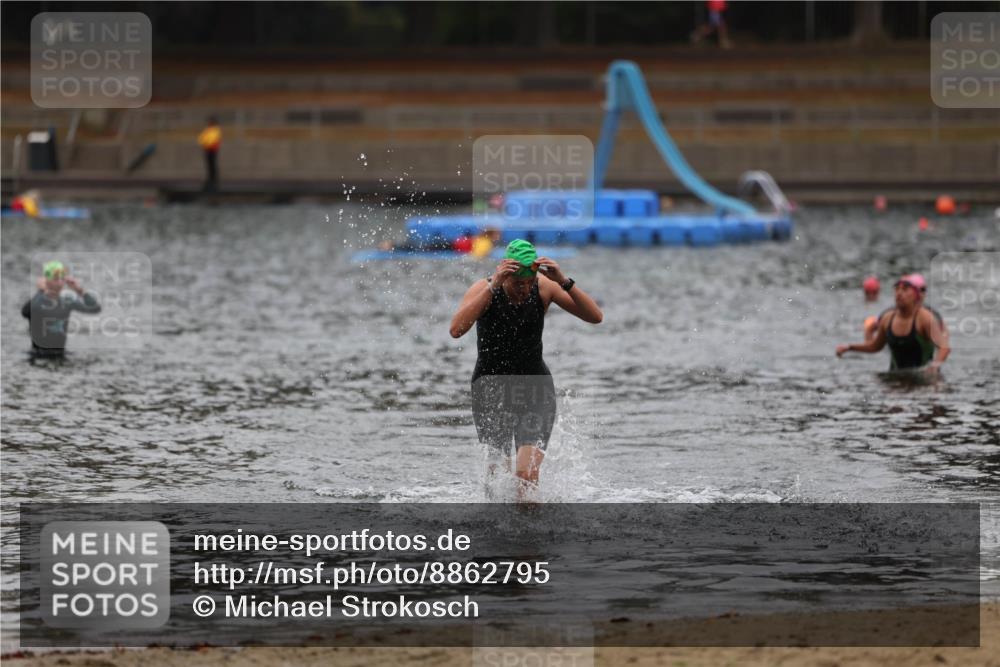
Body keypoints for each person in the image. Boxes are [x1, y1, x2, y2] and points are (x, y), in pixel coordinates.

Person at [449, 240, 602, 501]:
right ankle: (500, 535)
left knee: (526, 475)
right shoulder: (484, 289)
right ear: (505, 276)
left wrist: (563, 280)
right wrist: (492, 286)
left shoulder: (543, 288)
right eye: (518, 284)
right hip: (491, 388)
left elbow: (595, 316)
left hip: (534, 388)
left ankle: (529, 538)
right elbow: (456, 330)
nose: (524, 290)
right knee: (495, 476)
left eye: (528, 283)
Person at [837, 274, 950, 373]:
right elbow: (875, 346)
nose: (899, 293)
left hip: (923, 381)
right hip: (895, 376)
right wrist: (849, 347)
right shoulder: (887, 318)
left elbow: (944, 347)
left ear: (916, 295)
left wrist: (934, 366)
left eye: (905, 289)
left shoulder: (925, 318)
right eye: (897, 289)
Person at [21, 260, 102, 358]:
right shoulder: (38, 301)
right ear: (47, 280)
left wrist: (79, 290)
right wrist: (41, 291)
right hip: (38, 354)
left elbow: (95, 309)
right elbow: (26, 312)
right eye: (56, 278)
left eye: (62, 278)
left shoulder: (66, 301)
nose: (60, 282)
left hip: (60, 354)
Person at [197, 116, 221, 192]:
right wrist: (204, 143)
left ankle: (213, 179)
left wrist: (206, 143)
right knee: (210, 164)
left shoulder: (215, 130)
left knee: (212, 164)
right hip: (208, 149)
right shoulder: (208, 130)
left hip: (212, 149)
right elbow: (201, 138)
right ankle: (211, 178)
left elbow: (212, 140)